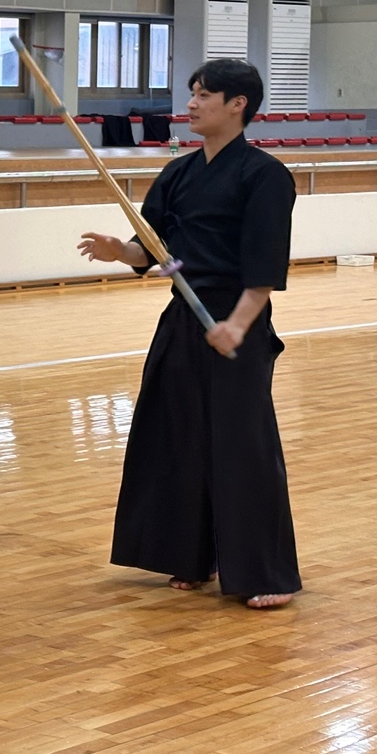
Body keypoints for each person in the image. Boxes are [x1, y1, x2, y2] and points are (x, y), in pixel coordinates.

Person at [78, 59, 300, 609]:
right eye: (193, 93)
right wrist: (119, 250)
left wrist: (237, 327)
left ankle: (264, 571)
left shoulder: (265, 176)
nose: (193, 103)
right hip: (183, 320)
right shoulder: (177, 174)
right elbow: (151, 249)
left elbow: (265, 266)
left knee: (243, 446)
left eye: (204, 94)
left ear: (238, 104)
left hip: (236, 321)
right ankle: (192, 556)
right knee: (174, 436)